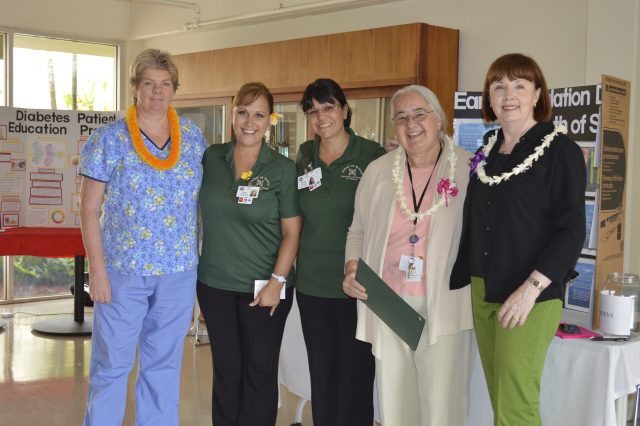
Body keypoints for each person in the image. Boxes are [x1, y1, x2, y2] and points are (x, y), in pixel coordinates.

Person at [450, 53, 586, 425]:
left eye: (520, 85)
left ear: (537, 94)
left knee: (515, 405)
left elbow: (572, 229)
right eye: (499, 86)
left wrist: (532, 288)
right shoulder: (487, 150)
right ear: (489, 99)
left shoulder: (561, 151)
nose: (509, 95)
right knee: (500, 396)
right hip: (483, 287)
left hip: (529, 291)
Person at [80, 48, 207, 425]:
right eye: (149, 83)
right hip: (122, 271)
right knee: (112, 366)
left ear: (174, 89)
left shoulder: (194, 138)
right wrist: (97, 272)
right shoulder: (109, 139)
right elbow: (88, 210)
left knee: (164, 366)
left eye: (165, 84)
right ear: (134, 87)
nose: (157, 91)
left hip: (178, 272)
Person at [343, 84, 474, 425]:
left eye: (419, 114)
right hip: (388, 301)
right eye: (401, 117)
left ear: (439, 120)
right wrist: (352, 267)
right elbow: (356, 230)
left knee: (442, 405)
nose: (410, 123)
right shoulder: (378, 171)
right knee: (395, 403)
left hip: (444, 304)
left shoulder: (468, 168)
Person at [197, 82, 302, 426]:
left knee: (259, 371)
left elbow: (292, 232)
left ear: (269, 120)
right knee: (226, 369)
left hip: (265, 287)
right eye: (243, 112)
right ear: (232, 114)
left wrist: (277, 281)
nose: (249, 121)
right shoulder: (212, 158)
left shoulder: (282, 169)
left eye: (259, 114)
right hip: (215, 284)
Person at [295, 78, 385, 426]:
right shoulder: (303, 156)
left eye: (328, 107)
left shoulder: (372, 155)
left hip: (358, 285)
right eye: (313, 111)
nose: (321, 117)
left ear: (345, 110)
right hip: (312, 284)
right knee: (322, 372)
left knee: (356, 372)